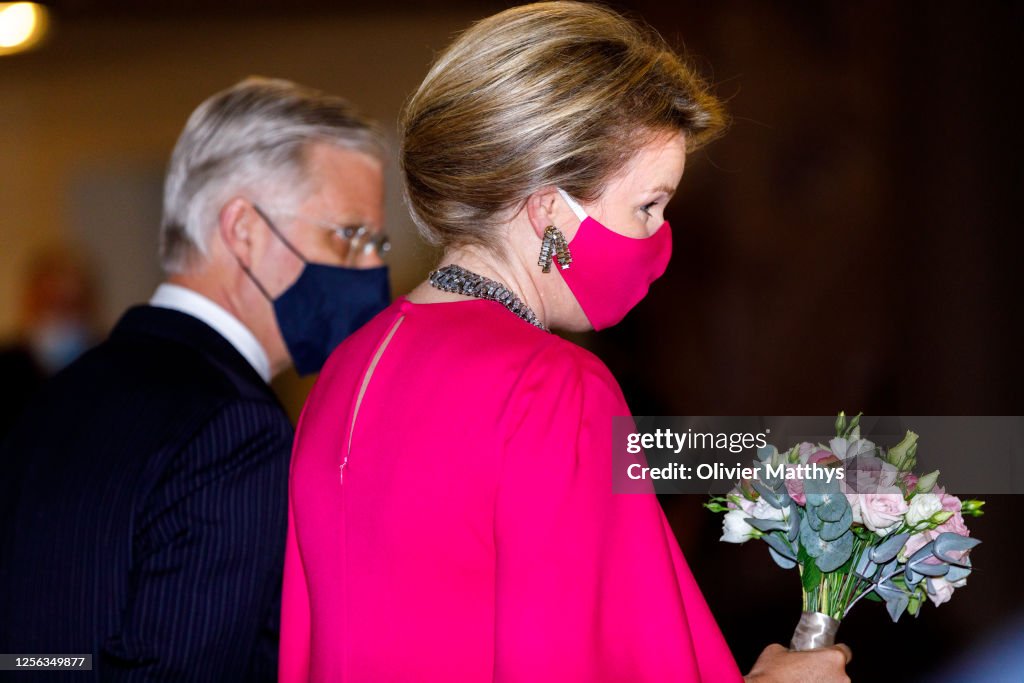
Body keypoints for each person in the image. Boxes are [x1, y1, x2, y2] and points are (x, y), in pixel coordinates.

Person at [280, 3, 850, 682]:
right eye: (647, 206)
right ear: (549, 209)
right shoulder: (551, 387)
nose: (660, 242)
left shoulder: (350, 365)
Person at [0, 77, 391, 681]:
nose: (374, 267)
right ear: (244, 232)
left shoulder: (65, 390)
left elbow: (38, 654)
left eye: (378, 242)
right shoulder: (236, 427)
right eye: (351, 236)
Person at [0, 245, 100, 438]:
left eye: (70, 305)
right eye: (50, 303)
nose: (59, 315)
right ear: (30, 303)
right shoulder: (7, 368)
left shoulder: (110, 367)